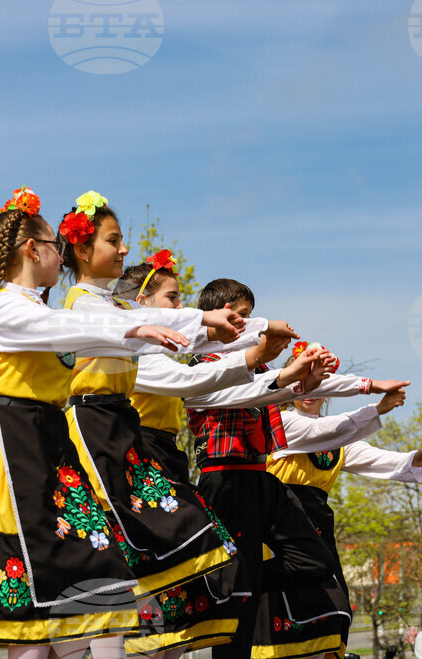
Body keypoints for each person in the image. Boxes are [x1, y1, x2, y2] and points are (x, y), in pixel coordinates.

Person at [0, 187, 202, 658]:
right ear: (32, 250)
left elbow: (92, 327)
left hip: (46, 439)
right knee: (31, 577)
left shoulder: (38, 309)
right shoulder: (3, 306)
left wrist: (209, 323)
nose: (60, 255)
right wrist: (133, 328)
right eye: (54, 246)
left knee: (89, 569)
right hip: (11, 437)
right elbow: (68, 328)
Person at [112, 255, 293, 658]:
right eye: (173, 298)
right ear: (142, 301)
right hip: (135, 451)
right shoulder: (134, 349)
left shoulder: (160, 349)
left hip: (165, 456)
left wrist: (278, 368)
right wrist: (262, 356)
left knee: (180, 580)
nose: (182, 308)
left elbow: (211, 358)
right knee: (155, 571)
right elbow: (190, 381)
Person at [251, 342, 422, 659]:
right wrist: (376, 409)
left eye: (316, 383)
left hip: (317, 532)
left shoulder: (337, 441)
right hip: (279, 530)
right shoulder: (280, 425)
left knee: (333, 615)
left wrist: (414, 459)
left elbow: (370, 456)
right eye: (299, 382)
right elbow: (320, 431)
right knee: (286, 619)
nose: (309, 391)